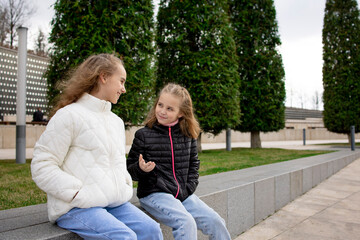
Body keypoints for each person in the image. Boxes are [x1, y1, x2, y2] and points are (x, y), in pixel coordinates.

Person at [31, 53, 163, 240]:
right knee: (124, 237)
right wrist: (76, 192)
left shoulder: (116, 122)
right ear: (103, 77)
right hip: (76, 206)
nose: (123, 89)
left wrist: (123, 182)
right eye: (121, 81)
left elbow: (115, 163)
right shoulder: (69, 115)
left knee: (152, 230)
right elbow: (41, 165)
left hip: (112, 202)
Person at [127, 83, 231, 240]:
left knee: (216, 221)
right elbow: (129, 170)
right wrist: (141, 168)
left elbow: (193, 165)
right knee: (186, 222)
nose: (162, 111)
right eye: (160, 105)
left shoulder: (187, 135)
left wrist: (188, 188)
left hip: (182, 194)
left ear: (181, 113)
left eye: (170, 108)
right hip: (154, 194)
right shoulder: (143, 135)